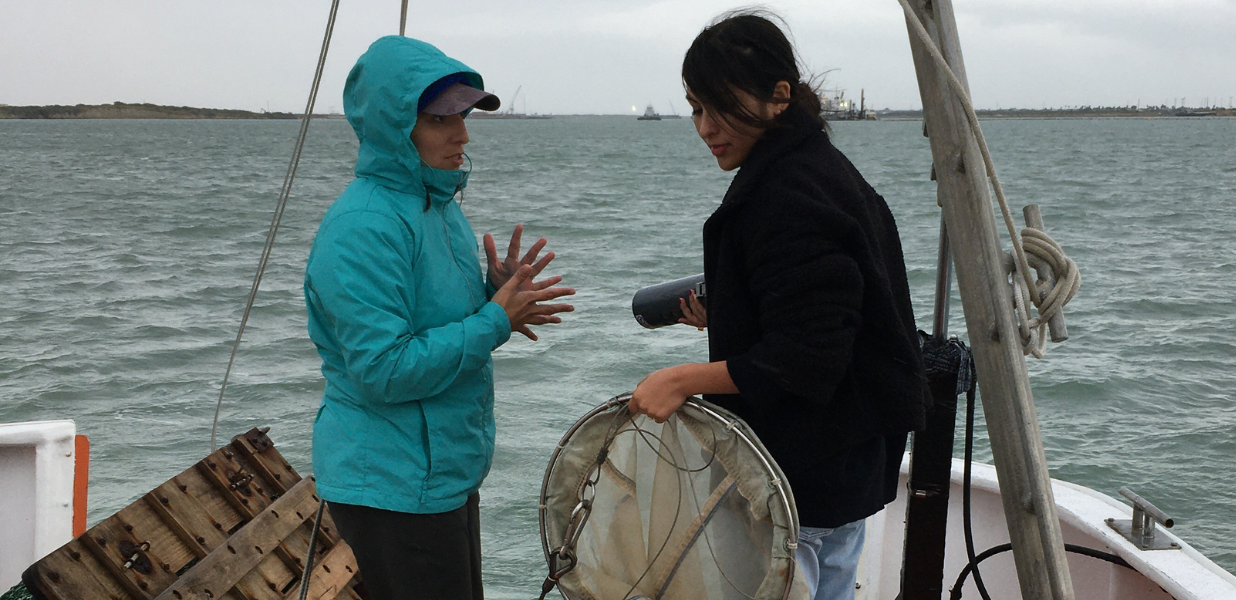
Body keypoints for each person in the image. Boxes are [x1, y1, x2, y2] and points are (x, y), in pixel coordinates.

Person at [628, 12, 932, 600]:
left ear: (779, 96)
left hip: (804, 477)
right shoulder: (825, 172)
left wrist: (681, 379)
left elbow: (807, 360)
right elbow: (842, 318)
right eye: (695, 107)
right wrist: (734, 317)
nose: (706, 126)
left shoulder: (786, 195)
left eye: (720, 105)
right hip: (848, 464)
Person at [303, 36, 574, 600]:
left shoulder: (437, 205)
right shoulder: (363, 227)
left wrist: (489, 296)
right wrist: (494, 321)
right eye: (440, 120)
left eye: (465, 116)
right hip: (390, 484)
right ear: (394, 125)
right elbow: (384, 370)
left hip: (438, 474)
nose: (463, 135)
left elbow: (428, 321)